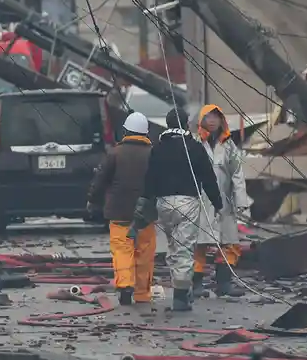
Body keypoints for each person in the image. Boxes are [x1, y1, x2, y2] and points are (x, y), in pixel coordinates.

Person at [130, 107, 223, 311]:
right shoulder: (194, 147)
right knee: (184, 249)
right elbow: (208, 178)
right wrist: (218, 203)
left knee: (173, 247)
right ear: (185, 123)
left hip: (163, 204)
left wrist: (145, 203)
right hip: (187, 203)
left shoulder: (158, 148)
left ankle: (181, 288)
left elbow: (149, 180)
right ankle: (181, 296)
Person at [87, 112, 155, 306]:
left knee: (122, 249)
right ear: (146, 133)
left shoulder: (115, 153)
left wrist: (93, 200)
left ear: (125, 131)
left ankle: (125, 285)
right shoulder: (153, 153)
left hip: (118, 211)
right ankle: (142, 294)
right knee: (145, 252)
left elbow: (100, 180)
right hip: (146, 213)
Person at [194, 104, 251, 298]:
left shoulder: (228, 145)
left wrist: (241, 201)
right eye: (208, 116)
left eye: (215, 117)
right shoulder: (193, 143)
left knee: (229, 242)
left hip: (225, 203)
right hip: (200, 201)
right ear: (201, 119)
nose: (212, 120)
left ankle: (224, 283)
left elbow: (237, 174)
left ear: (221, 121)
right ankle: (196, 284)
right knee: (198, 243)